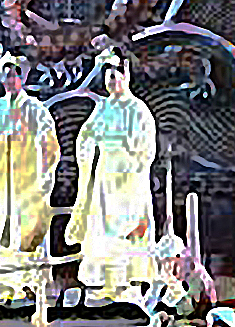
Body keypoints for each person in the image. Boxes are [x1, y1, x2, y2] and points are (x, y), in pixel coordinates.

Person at [67, 41, 166, 297]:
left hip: (128, 180)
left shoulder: (138, 110)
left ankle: (129, 284)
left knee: (127, 228)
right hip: (105, 178)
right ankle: (107, 283)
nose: (112, 81)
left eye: (116, 76)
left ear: (126, 76)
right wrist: (91, 144)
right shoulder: (102, 108)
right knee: (102, 229)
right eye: (108, 77)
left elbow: (146, 150)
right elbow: (86, 136)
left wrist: (122, 145)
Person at [0, 55, 65, 292]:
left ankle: (28, 281)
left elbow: (49, 146)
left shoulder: (35, 110)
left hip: (25, 183)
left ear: (23, 77)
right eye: (6, 74)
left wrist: (34, 166)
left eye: (15, 74)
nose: (11, 79)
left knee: (26, 230)